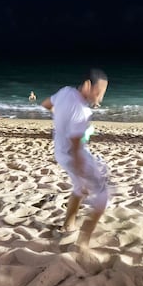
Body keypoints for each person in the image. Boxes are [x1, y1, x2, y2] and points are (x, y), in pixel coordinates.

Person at [41, 69, 110, 251]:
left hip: (60, 153)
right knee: (102, 196)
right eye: (99, 92)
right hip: (73, 155)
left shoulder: (65, 92)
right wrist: (81, 172)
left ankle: (68, 226)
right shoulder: (82, 111)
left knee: (79, 189)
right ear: (87, 85)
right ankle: (83, 242)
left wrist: (60, 118)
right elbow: (76, 147)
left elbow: (46, 104)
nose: (101, 98)